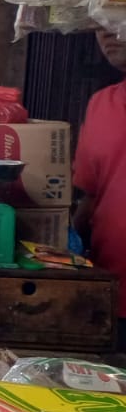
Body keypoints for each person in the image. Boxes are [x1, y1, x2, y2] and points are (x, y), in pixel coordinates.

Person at [74, 27, 126, 347]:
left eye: (117, 17)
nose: (105, 31)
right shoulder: (100, 105)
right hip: (113, 295)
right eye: (99, 21)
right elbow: (91, 195)